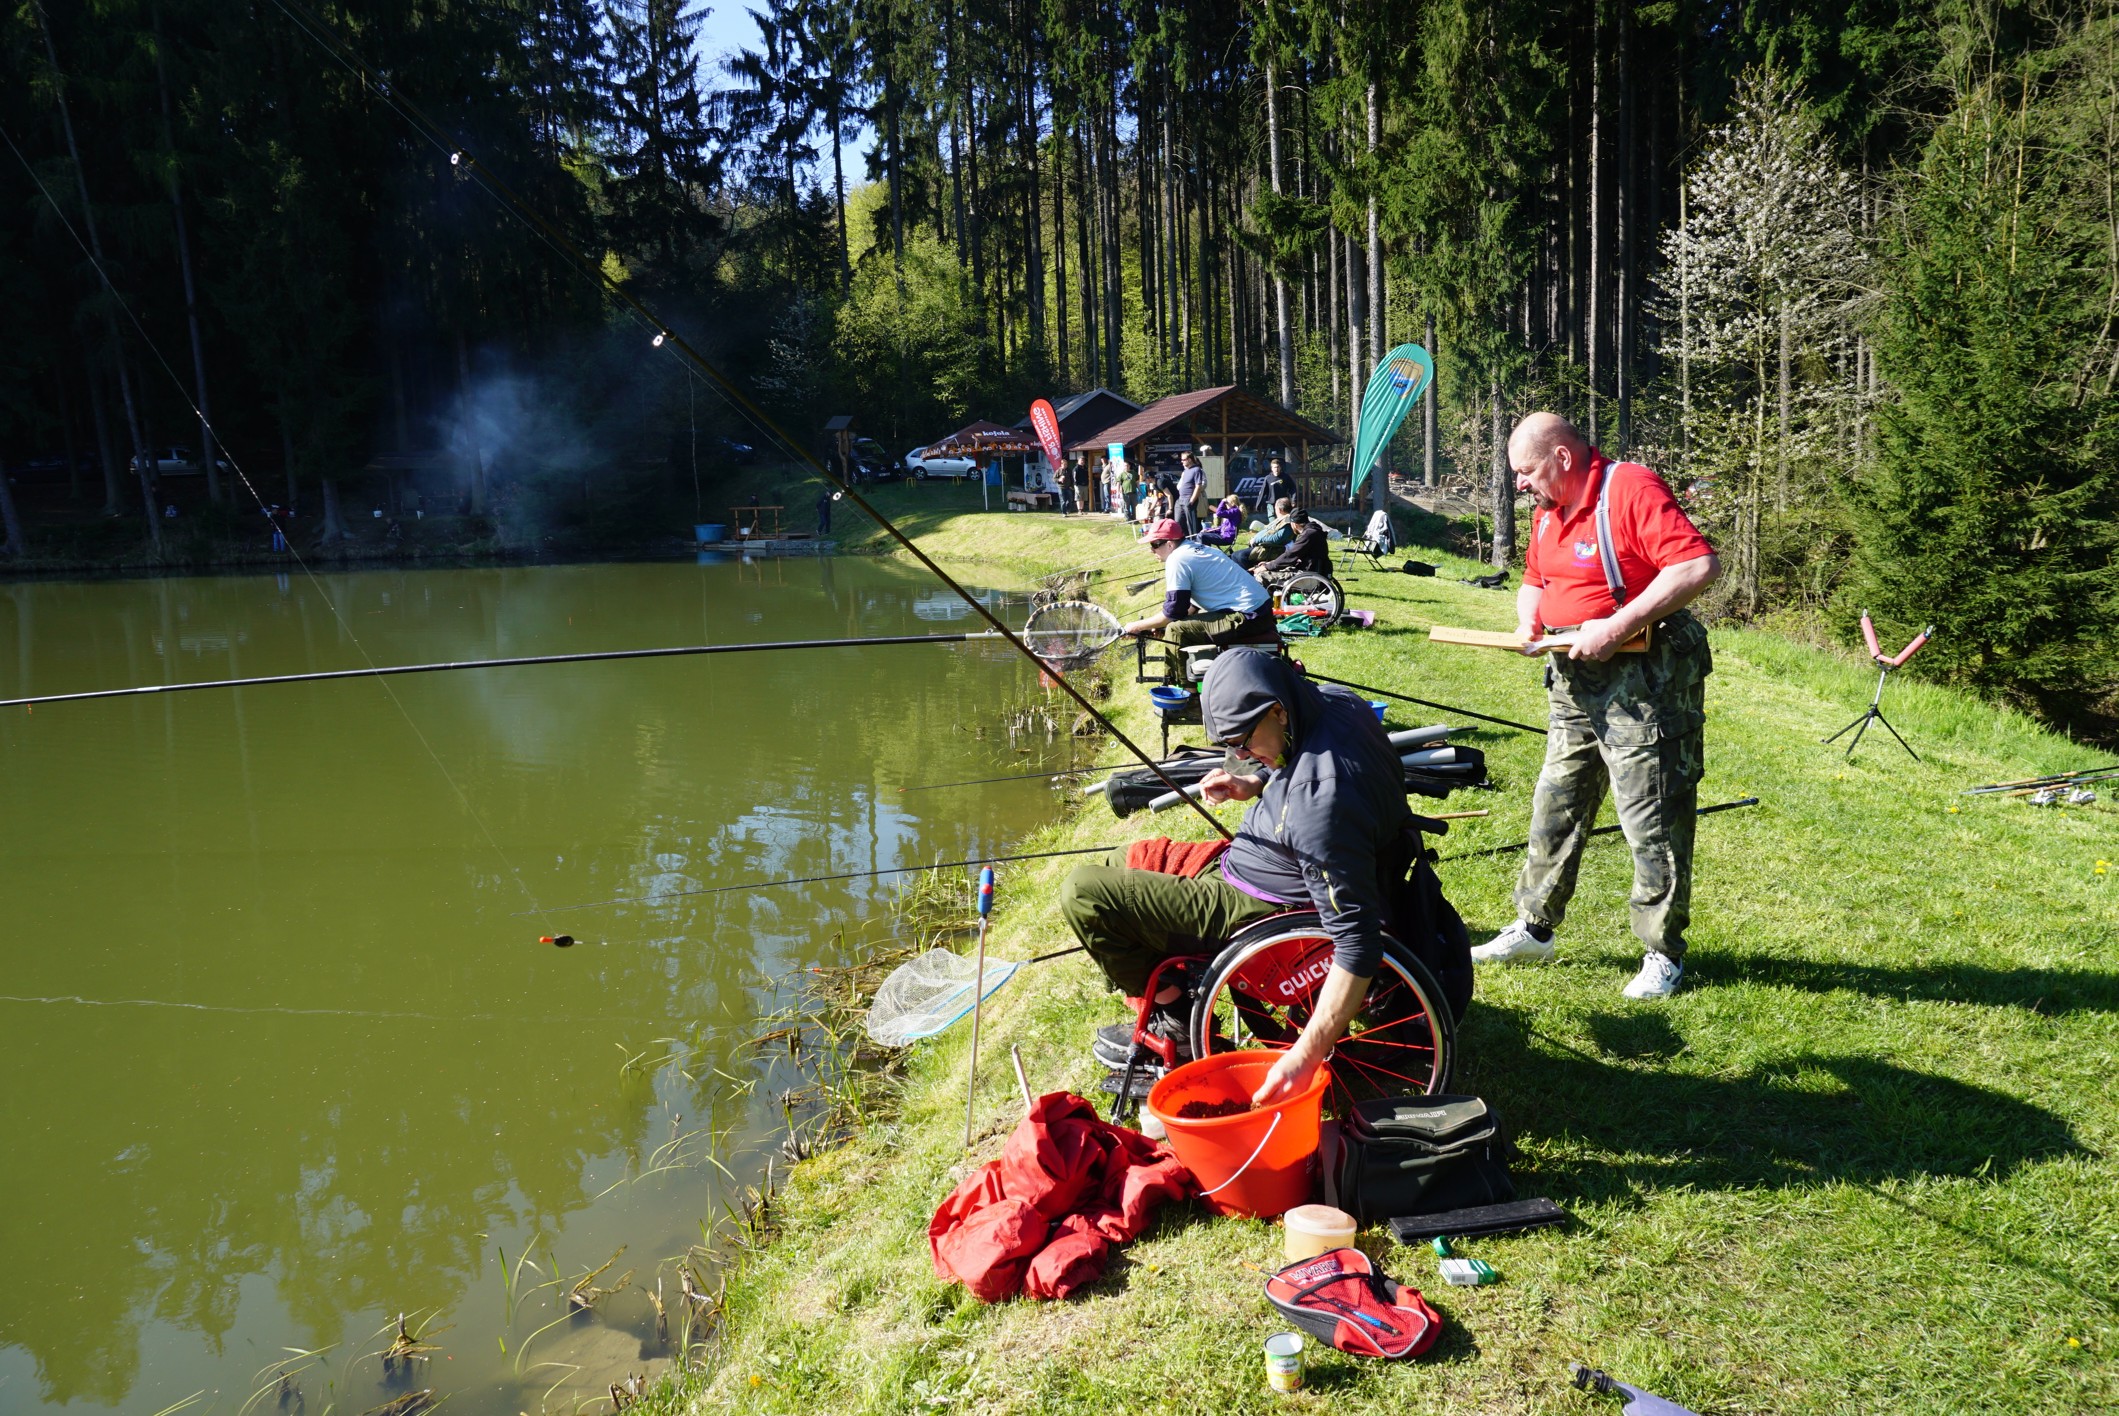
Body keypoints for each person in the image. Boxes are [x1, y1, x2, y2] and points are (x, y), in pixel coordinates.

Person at [1059, 649, 1426, 1102]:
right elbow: (1305, 768)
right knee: (1120, 860)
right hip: (1267, 860)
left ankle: (1177, 1019)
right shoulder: (1337, 704)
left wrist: (1305, 1056)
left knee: (1083, 893)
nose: (1239, 755)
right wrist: (1256, 780)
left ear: (1276, 710)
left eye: (1243, 743)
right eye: (1231, 747)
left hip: (1258, 902)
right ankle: (1172, 1003)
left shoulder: (1319, 806)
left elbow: (1358, 945)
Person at [1471, 412, 1721, 1000]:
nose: (1521, 485)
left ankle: (1663, 954)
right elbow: (1536, 578)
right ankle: (1534, 928)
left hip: (1644, 681)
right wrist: (1527, 617)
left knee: (1651, 817)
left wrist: (1618, 623)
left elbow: (1695, 566)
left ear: (1562, 456)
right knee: (1556, 802)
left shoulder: (1629, 489)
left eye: (1526, 471)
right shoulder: (1548, 512)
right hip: (1573, 681)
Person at [1122, 517, 1276, 678]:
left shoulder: (1177, 559)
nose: (1151, 550)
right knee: (1177, 626)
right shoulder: (1195, 549)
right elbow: (1188, 608)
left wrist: (1137, 626)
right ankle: (1197, 679)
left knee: (1176, 630)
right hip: (1259, 610)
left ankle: (1186, 694)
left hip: (1249, 616)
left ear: (1169, 544)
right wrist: (1155, 626)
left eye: (1154, 544)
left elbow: (1172, 613)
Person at [1255, 507, 1331, 583]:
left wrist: (1267, 567)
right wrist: (1272, 563)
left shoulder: (1308, 535)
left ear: (1294, 524)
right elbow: (1294, 556)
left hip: (1307, 575)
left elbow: (1291, 555)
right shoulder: (1314, 531)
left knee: (1261, 575)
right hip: (1315, 571)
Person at [1242, 497, 1298, 568]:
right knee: (1236, 555)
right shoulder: (1281, 519)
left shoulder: (1287, 521)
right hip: (1266, 547)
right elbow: (1267, 530)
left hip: (1273, 550)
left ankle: (1249, 577)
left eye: (1275, 509)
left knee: (1239, 556)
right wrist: (1255, 538)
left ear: (1280, 510)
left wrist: (1256, 539)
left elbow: (1276, 538)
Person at [1175, 451, 1205, 535]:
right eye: (1181, 460)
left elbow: (1198, 486)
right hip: (1180, 499)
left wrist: (1192, 500)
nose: (1182, 461)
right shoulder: (1185, 471)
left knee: (1191, 524)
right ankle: (1182, 540)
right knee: (1178, 521)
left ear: (1190, 460)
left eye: (1184, 460)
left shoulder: (1197, 470)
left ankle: (1194, 541)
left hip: (1189, 499)